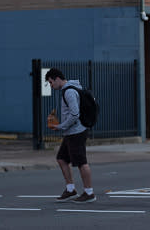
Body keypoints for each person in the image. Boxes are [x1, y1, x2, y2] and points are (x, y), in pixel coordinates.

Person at [45, 68, 96, 203]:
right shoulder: (70, 89)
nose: (51, 86)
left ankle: (89, 192)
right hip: (71, 132)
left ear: (57, 79)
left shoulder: (69, 92)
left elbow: (74, 114)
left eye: (51, 82)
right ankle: (70, 189)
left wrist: (61, 126)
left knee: (81, 163)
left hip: (76, 132)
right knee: (62, 158)